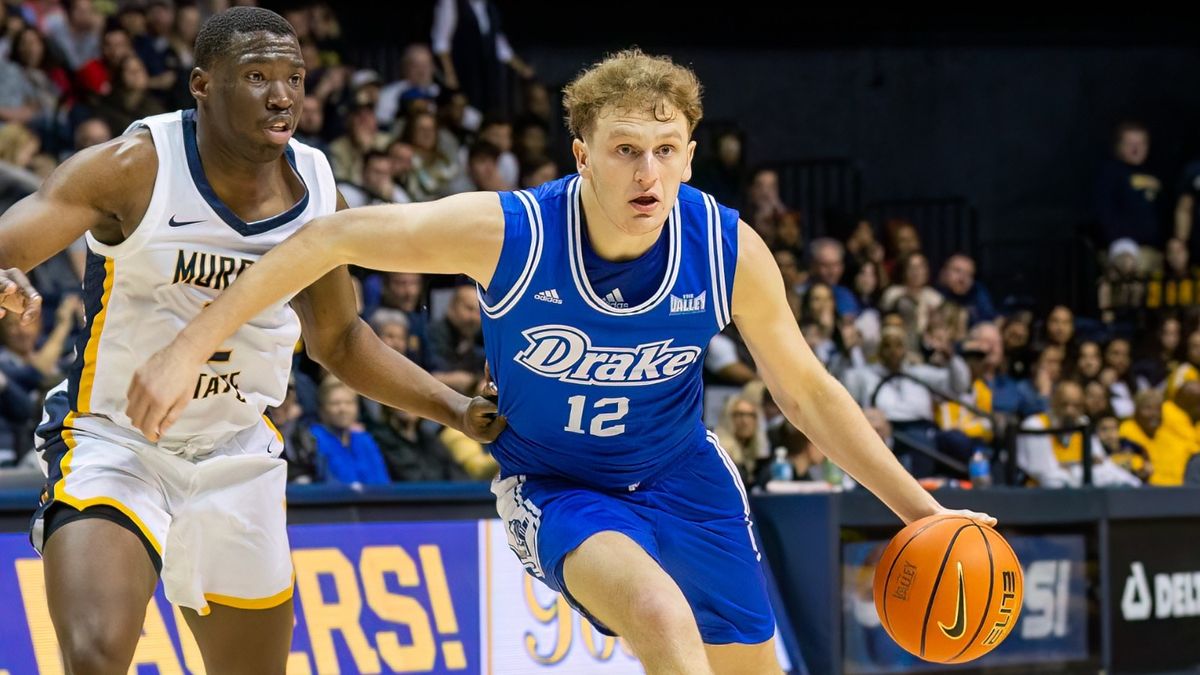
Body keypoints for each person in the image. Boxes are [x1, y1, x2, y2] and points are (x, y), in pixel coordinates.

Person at [127, 49, 991, 674]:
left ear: (691, 154)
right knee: (657, 611)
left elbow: (805, 389)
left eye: (664, 149)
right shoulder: (512, 232)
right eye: (623, 149)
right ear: (583, 156)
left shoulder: (727, 247)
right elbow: (332, 235)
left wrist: (922, 513)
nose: (646, 171)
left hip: (684, 475)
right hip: (559, 487)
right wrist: (186, 345)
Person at [0, 8, 502, 674]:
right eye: (258, 75)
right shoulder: (134, 167)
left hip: (237, 451)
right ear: (203, 84)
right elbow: (10, 241)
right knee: (94, 657)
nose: (282, 95)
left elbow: (342, 341)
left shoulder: (320, 192)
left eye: (293, 77)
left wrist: (456, 411)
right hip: (115, 438)